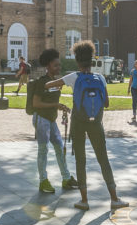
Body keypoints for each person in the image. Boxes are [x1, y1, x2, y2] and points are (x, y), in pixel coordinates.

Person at [48, 40, 128, 212]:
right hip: (96, 123)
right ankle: (114, 198)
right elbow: (106, 103)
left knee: (81, 160)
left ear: (77, 61)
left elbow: (49, 85)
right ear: (91, 61)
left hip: (78, 122)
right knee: (103, 159)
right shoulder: (100, 78)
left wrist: (56, 87)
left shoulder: (73, 77)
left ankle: (84, 200)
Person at [27, 48, 77, 193]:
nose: (59, 67)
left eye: (59, 65)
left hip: (51, 120)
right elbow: (36, 103)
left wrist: (59, 106)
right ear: (48, 66)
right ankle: (43, 181)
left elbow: (52, 100)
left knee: (60, 148)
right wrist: (56, 105)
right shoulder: (42, 82)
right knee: (43, 150)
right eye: (56, 65)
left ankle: (66, 178)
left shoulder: (55, 82)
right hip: (41, 119)